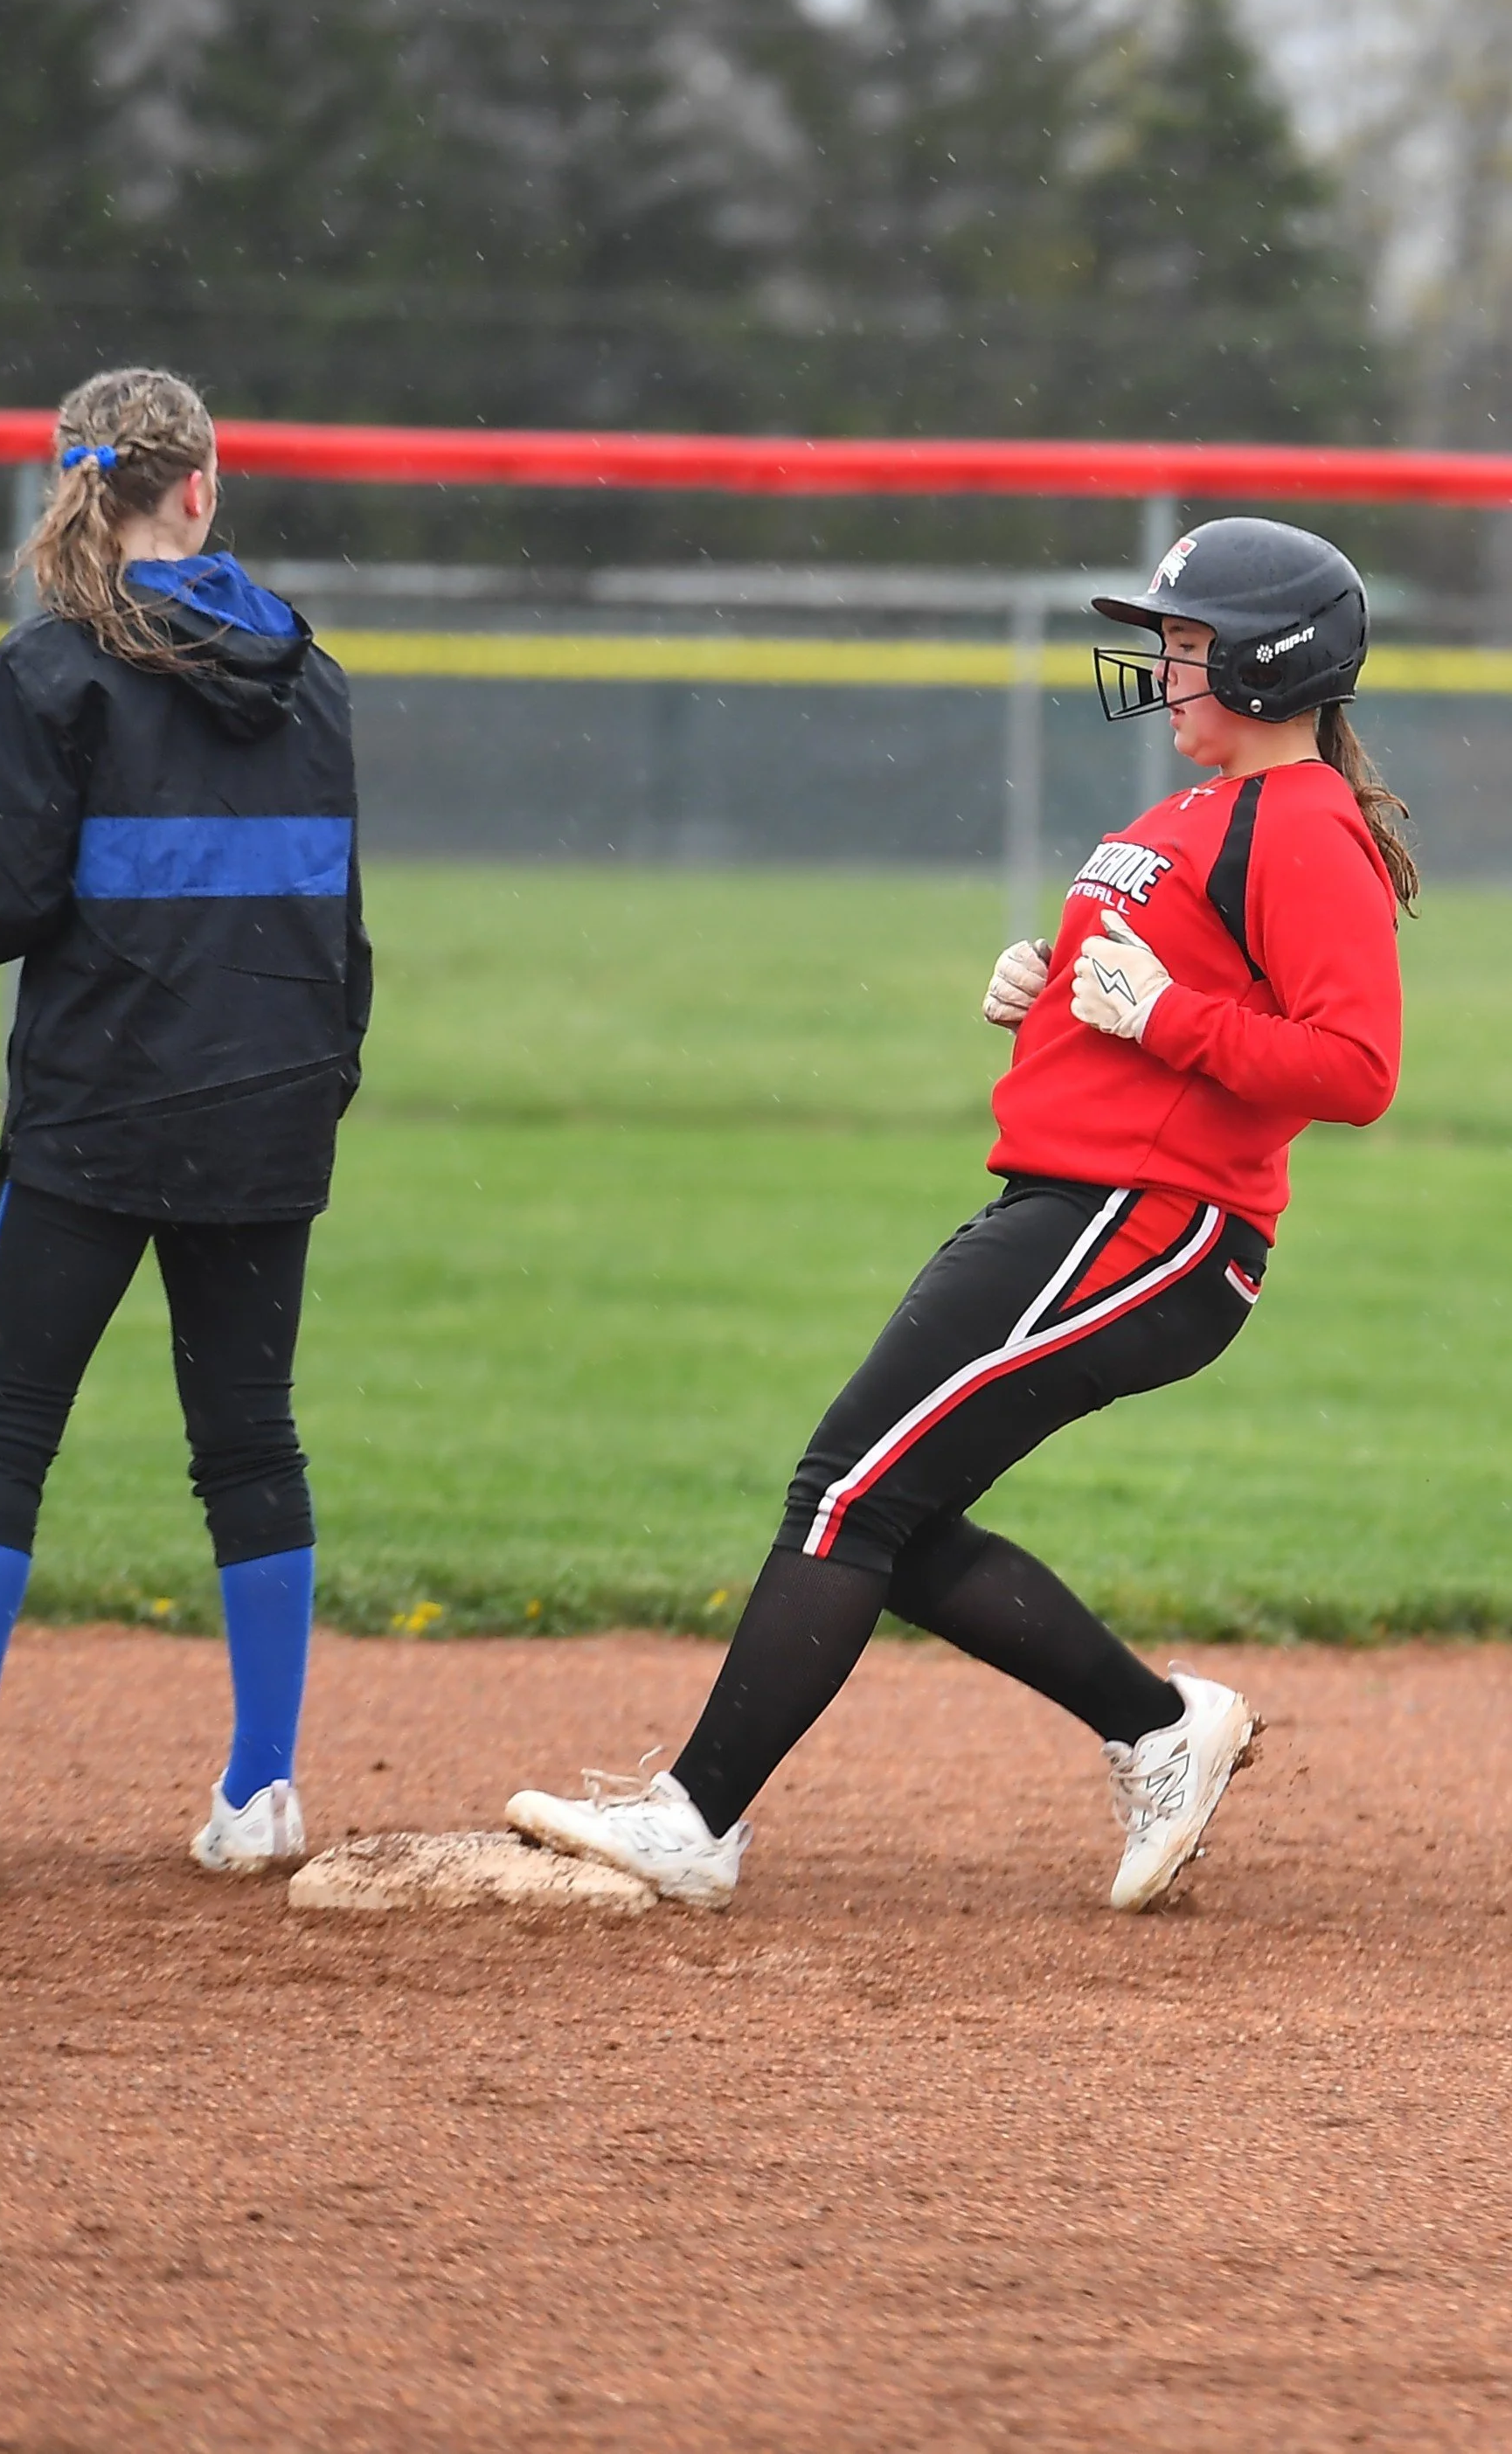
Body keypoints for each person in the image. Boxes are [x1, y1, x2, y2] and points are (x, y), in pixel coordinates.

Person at [508, 515, 1416, 1911]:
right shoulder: (1197, 810)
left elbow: (1356, 1067)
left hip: (1149, 1223)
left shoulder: (1302, 824)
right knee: (891, 1507)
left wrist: (1158, 1016)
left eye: (1188, 645)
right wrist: (1054, 984)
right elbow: (1174, 975)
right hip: (1069, 1201)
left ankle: (696, 1820)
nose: (1164, 671)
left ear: (1266, 662)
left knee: (847, 1490)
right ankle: (1159, 1729)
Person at [0, 366, 371, 1889]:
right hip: (271, 1110)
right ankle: (262, 1789)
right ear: (203, 490)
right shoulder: (311, 675)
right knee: (250, 1440)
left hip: (98, 1112)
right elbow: (340, 929)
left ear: (75, 486)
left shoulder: (47, 667)